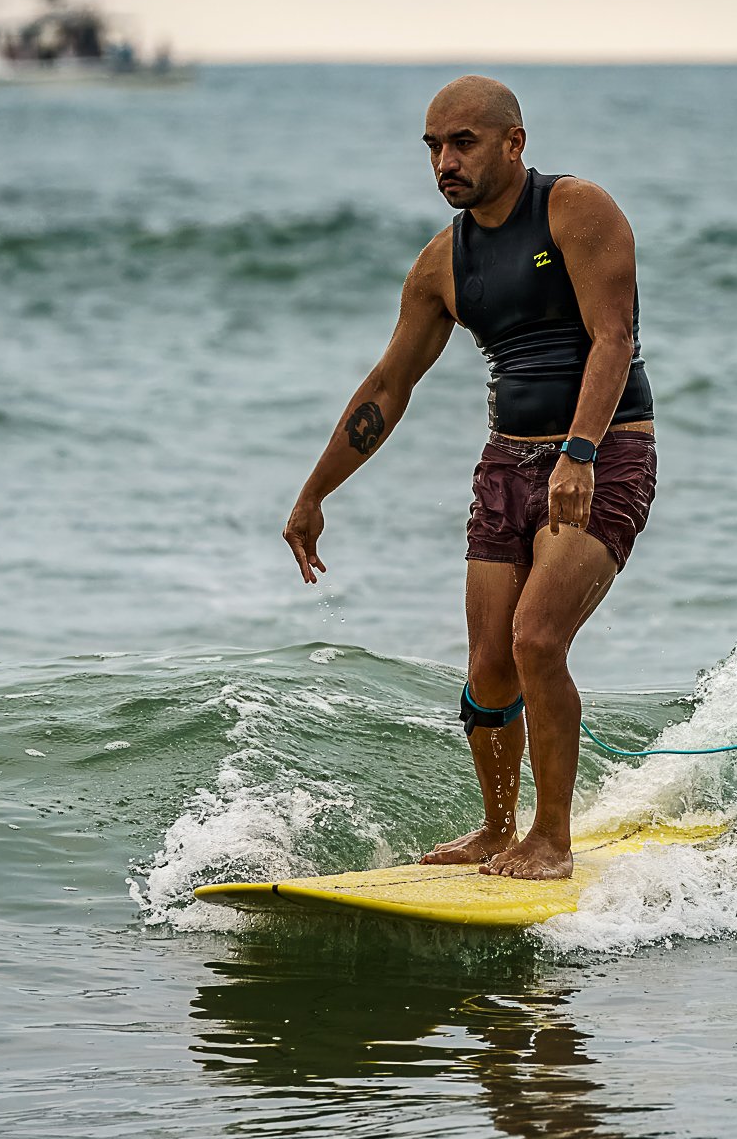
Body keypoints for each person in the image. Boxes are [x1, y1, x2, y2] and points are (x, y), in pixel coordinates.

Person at [281, 76, 656, 880]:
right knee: (489, 664)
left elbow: (613, 338)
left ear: (513, 143)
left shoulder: (576, 209)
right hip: (506, 462)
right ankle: (496, 828)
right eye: (432, 148)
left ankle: (551, 838)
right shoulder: (441, 263)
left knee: (537, 639)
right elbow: (389, 386)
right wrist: (315, 493)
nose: (444, 162)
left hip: (605, 449)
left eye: (462, 143)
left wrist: (580, 453)